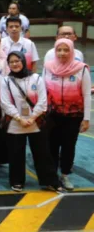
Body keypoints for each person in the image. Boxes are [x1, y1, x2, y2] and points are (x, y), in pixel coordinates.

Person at [0, 51, 63, 192]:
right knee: (16, 154)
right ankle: (17, 181)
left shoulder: (36, 78)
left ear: (23, 61)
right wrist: (19, 118)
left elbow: (42, 101)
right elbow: (5, 103)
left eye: (17, 60)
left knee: (43, 153)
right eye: (11, 62)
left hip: (36, 122)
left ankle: (50, 181)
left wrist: (32, 118)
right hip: (15, 123)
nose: (15, 64)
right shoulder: (5, 81)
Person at [43, 38, 90, 190]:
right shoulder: (48, 67)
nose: (62, 53)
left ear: (72, 51)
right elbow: (43, 90)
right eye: (59, 50)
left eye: (66, 50)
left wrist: (86, 119)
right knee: (52, 145)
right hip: (52, 114)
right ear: (54, 51)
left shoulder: (81, 69)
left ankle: (65, 174)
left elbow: (87, 95)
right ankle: (52, 175)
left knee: (68, 146)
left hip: (73, 116)